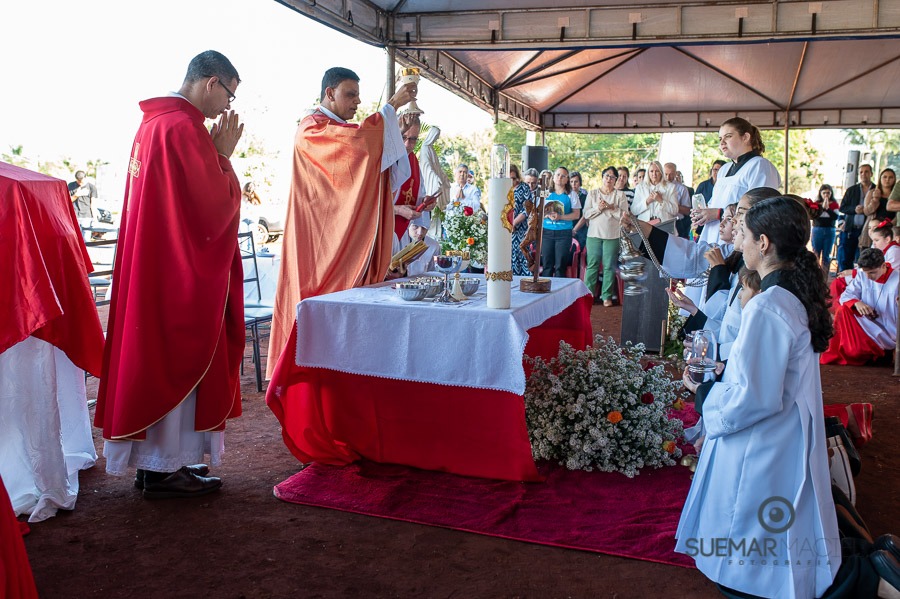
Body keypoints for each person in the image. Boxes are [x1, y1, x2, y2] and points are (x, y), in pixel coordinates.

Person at [94, 50, 245, 498]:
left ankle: (162, 464)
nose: (227, 109)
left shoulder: (154, 124)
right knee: (178, 354)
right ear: (211, 83)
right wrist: (222, 157)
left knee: (158, 356)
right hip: (179, 273)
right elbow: (212, 207)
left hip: (156, 266)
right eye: (229, 95)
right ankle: (162, 469)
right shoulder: (184, 129)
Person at [678, 196, 840, 599]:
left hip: (768, 437)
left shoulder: (768, 305)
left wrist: (704, 394)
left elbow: (754, 397)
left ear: (764, 242)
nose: (741, 242)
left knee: (753, 522)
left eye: (746, 235)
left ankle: (764, 578)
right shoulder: (788, 293)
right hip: (784, 426)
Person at [267, 67, 416, 378]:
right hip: (317, 244)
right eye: (350, 95)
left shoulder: (336, 128)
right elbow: (358, 145)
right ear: (329, 93)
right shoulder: (312, 129)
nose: (357, 102)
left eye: (359, 96)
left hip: (333, 239)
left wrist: (390, 127)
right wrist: (390, 107)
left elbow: (368, 156)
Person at [691, 117, 780, 246]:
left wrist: (718, 213)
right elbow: (715, 202)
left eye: (728, 137)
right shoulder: (724, 169)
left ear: (745, 137)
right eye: (720, 139)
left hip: (739, 240)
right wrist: (703, 214)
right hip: (712, 236)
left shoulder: (759, 165)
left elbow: (762, 208)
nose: (722, 142)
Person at [821, 247, 898, 366]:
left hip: (890, 329)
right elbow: (847, 295)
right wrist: (857, 303)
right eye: (865, 272)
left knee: (855, 351)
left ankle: (881, 353)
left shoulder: (897, 279)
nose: (868, 277)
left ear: (884, 266)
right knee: (843, 310)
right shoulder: (862, 275)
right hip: (867, 324)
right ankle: (869, 355)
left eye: (872, 273)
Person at [582, 166, 627, 306]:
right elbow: (586, 214)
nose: (609, 179)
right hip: (594, 235)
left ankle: (606, 296)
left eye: (612, 177)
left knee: (609, 266)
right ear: (602, 177)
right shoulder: (593, 193)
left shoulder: (620, 195)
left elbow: (624, 217)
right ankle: (587, 294)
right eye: (607, 176)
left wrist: (610, 208)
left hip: (612, 235)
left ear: (616, 180)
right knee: (592, 264)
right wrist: (599, 208)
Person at [392, 114, 438, 247]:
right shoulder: (382, 158)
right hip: (379, 230)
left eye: (413, 139)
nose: (407, 144)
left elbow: (416, 195)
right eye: (403, 137)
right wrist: (397, 210)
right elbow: (367, 203)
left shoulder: (413, 161)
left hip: (401, 234)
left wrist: (425, 202)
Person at [540, 166, 582, 277]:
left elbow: (576, 214)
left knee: (560, 266)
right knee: (547, 265)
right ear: (553, 177)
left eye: (563, 176)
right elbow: (537, 212)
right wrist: (547, 215)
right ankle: (545, 290)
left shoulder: (571, 194)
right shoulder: (545, 193)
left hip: (564, 233)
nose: (560, 178)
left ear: (567, 179)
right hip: (547, 232)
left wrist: (560, 217)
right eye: (558, 175)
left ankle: (559, 292)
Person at [837, 163, 874, 272]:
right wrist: (854, 209)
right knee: (845, 259)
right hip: (850, 230)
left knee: (865, 260)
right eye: (861, 172)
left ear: (871, 173)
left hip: (867, 231)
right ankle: (846, 284)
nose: (864, 174)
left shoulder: (876, 190)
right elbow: (842, 208)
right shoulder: (851, 190)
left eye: (866, 172)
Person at [860, 167, 897, 248]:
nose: (887, 180)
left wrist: (889, 224)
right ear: (880, 178)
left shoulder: (897, 196)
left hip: (890, 228)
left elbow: (898, 214)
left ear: (894, 179)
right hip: (873, 227)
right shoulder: (872, 192)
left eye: (890, 177)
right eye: (885, 177)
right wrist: (875, 199)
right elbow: (867, 211)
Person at [510, 164, 534, 277]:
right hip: (506, 229)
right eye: (509, 178)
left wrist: (513, 222)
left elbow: (527, 209)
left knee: (521, 254)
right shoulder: (502, 188)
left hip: (520, 228)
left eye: (513, 178)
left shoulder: (524, 187)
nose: (511, 181)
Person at [811, 183, 840, 274]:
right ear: (820, 193)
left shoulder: (834, 204)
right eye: (824, 193)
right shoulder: (816, 204)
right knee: (816, 253)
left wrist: (828, 209)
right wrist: (822, 208)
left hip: (829, 230)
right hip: (818, 229)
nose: (826, 195)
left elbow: (835, 217)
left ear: (831, 193)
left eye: (828, 193)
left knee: (826, 255)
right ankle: (815, 274)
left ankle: (824, 275)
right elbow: (814, 216)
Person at [664, 162, 693, 238]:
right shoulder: (658, 187)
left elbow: (687, 211)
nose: (668, 177)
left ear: (675, 173)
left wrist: (670, 206)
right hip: (662, 222)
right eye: (666, 174)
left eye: (671, 174)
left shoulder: (682, 189)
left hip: (677, 222)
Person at [68, 170, 98, 240]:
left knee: (86, 240)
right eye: (78, 181)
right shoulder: (71, 185)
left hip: (87, 217)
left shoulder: (92, 187)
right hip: (74, 216)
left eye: (82, 181)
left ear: (85, 177)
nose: (80, 183)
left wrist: (95, 219)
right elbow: (68, 201)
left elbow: (93, 204)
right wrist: (77, 195)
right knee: (74, 239)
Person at [569, 171, 589, 250]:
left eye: (576, 181)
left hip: (580, 228)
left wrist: (574, 230)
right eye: (571, 181)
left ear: (580, 183)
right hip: (567, 227)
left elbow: (585, 216)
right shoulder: (565, 196)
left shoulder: (585, 197)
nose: (573, 184)